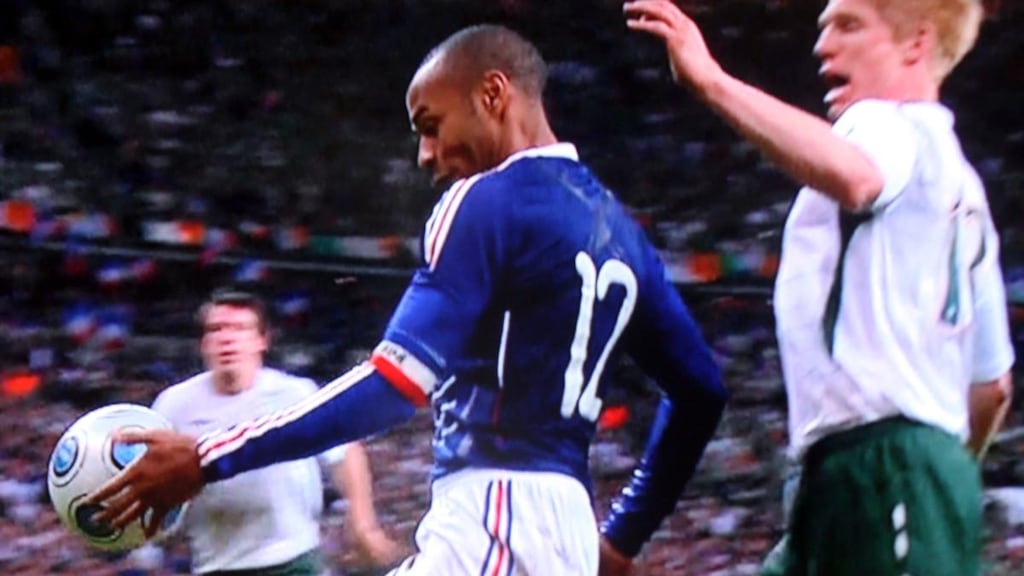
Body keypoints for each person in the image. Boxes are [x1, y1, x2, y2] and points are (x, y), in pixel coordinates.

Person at [87, 25, 728, 576]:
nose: (424, 154)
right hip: (561, 524)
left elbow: (393, 385)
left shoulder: (484, 200)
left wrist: (207, 456)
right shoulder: (620, 229)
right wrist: (623, 536)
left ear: (493, 95)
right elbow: (700, 389)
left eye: (431, 126)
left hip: (493, 520)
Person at [623, 1, 1016, 575]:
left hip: (878, 465)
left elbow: (857, 179)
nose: (822, 45)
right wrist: (942, 473)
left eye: (848, 24)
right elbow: (994, 388)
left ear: (916, 45)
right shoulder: (968, 192)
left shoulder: (883, 123)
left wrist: (711, 81)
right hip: (881, 474)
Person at [152, 288, 402, 575]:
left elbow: (345, 452)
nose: (226, 338)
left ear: (262, 340)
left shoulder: (295, 393)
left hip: (293, 560)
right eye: (216, 329)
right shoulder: (174, 405)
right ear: (204, 343)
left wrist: (363, 523)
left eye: (239, 328)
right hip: (216, 565)